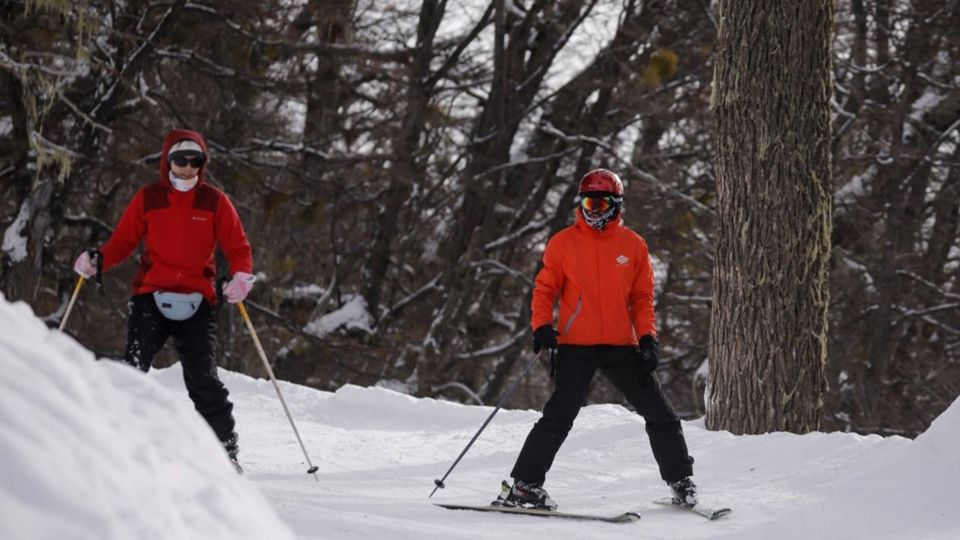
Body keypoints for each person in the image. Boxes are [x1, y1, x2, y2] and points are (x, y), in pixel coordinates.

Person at [494, 168, 696, 510]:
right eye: (588, 201)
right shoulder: (563, 243)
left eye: (601, 203)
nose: (593, 210)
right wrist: (542, 325)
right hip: (576, 345)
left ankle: (680, 480)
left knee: (659, 412)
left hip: (622, 345)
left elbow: (642, 298)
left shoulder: (632, 245)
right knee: (559, 415)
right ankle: (524, 486)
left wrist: (648, 339)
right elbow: (545, 289)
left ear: (615, 205)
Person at [73, 129, 255, 472]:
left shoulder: (215, 201)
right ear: (167, 161)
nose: (187, 168)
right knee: (133, 369)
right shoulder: (149, 198)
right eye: (179, 160)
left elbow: (238, 247)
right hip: (150, 297)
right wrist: (98, 260)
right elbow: (123, 241)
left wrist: (241, 277)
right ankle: (114, 442)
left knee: (202, 377)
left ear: (202, 164)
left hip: (198, 300)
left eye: (194, 161)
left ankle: (224, 448)